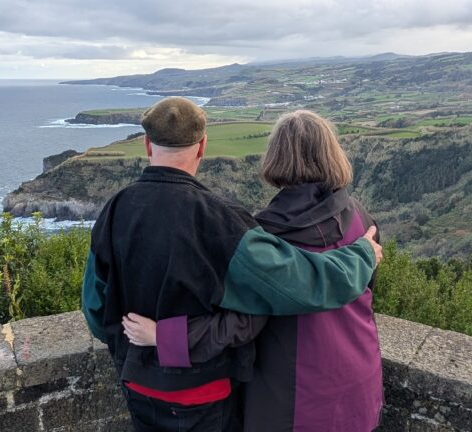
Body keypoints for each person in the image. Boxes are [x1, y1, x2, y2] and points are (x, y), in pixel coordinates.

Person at [82, 98, 382, 432]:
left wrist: (131, 341)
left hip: (137, 381)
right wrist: (361, 255)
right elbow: (299, 283)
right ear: (202, 146)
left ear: (147, 144)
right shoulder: (223, 222)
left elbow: (94, 306)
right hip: (204, 390)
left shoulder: (113, 210)